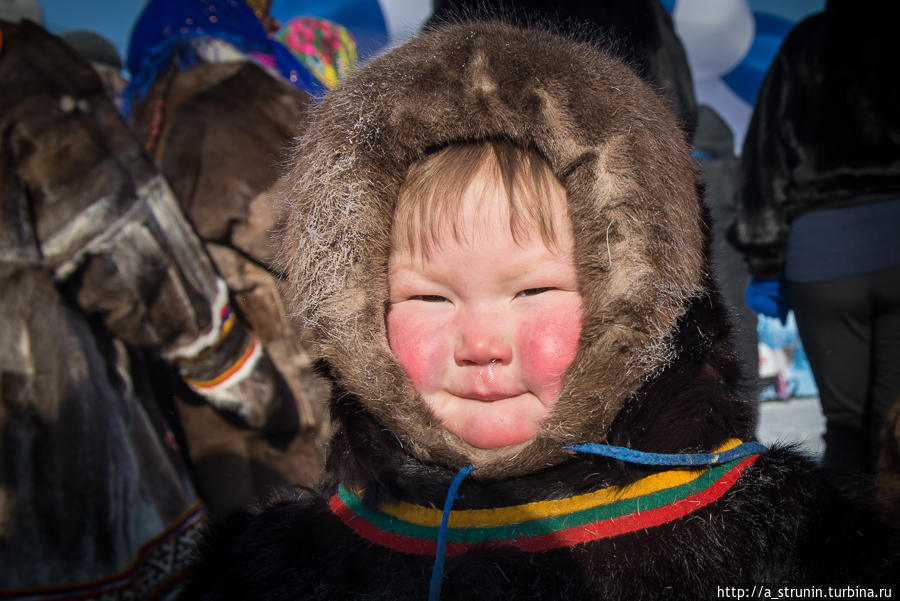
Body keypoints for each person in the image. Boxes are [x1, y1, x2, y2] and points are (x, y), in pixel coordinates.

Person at [177, 22, 899, 599]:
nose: (482, 341)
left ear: (632, 296)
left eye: (533, 291)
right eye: (428, 297)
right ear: (359, 309)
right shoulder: (301, 558)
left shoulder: (772, 538)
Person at [730, 0, 900, 477]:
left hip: (824, 257)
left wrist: (765, 264)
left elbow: (764, 162)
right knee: (892, 425)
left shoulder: (806, 44)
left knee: (845, 426)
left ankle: (847, 545)